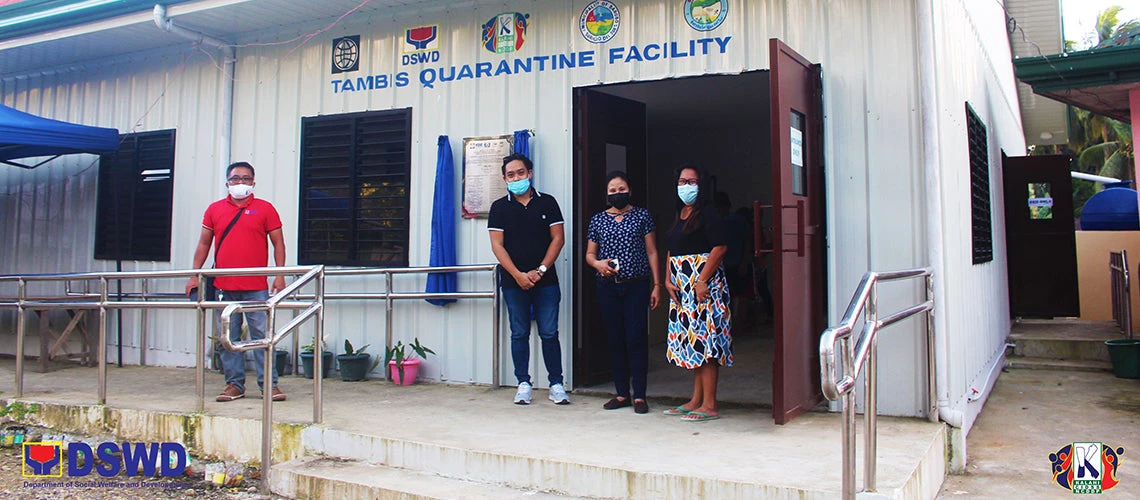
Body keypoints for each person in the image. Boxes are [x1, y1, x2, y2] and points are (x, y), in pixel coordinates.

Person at [185, 161, 287, 403]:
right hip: (223, 286)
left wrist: (280, 275)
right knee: (227, 339)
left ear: (253, 182)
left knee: (263, 337)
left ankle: (269, 386)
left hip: (256, 288)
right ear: (227, 182)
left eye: (245, 178)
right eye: (235, 178)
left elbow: (278, 244)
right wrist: (194, 274)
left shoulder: (265, 209)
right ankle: (234, 385)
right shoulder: (214, 210)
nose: (240, 182)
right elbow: (203, 244)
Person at [488, 153, 570, 406]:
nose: (516, 178)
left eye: (520, 173)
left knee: (549, 333)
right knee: (519, 333)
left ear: (530, 173)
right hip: (514, 283)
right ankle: (523, 383)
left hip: (546, 281)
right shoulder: (499, 208)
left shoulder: (548, 203)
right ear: (504, 179)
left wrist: (541, 270)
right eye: (510, 175)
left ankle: (556, 384)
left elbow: (558, 238)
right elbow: (497, 245)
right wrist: (518, 275)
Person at [585, 171, 662, 414]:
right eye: (612, 190)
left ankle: (639, 395)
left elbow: (652, 252)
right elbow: (589, 254)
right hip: (608, 286)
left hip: (637, 285)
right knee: (615, 339)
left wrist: (657, 284)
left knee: (636, 339)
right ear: (606, 194)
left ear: (629, 190)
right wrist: (598, 264)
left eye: (621, 189)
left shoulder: (642, 216)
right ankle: (621, 394)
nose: (617, 194)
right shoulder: (598, 220)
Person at [663, 164, 732, 422]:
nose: (686, 186)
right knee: (694, 343)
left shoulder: (709, 213)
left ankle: (710, 404)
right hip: (683, 287)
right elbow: (672, 247)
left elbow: (720, 247)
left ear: (701, 185)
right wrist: (667, 278)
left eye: (691, 181)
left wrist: (702, 279)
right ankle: (696, 399)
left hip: (704, 286)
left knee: (706, 343)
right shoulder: (680, 213)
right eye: (682, 181)